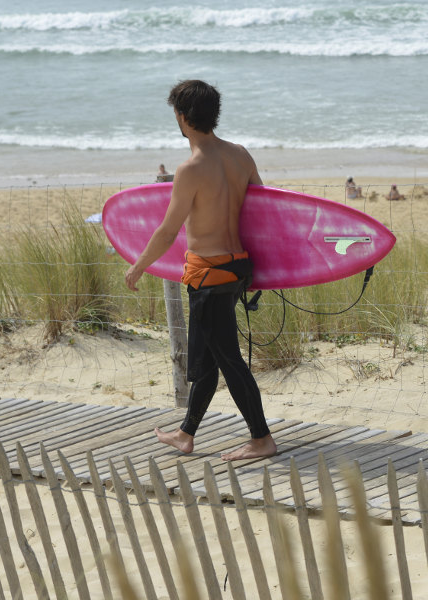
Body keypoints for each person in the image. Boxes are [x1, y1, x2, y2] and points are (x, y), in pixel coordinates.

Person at [126, 80, 275, 461]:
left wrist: (138, 267)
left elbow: (167, 230)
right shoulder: (241, 156)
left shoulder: (191, 168)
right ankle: (185, 433)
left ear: (181, 117)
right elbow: (264, 214)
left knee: (228, 359)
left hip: (208, 275)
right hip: (237, 268)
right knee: (209, 355)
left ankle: (261, 438)